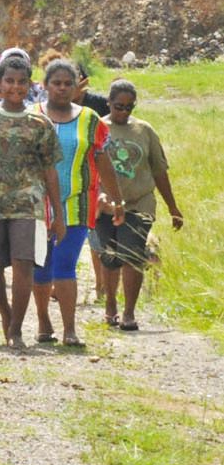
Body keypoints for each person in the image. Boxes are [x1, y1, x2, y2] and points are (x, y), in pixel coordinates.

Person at [0, 53, 63, 349]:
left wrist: (58, 212)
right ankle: (6, 314)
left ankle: (17, 328)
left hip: (27, 203)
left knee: (23, 264)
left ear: (30, 85)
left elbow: (50, 170)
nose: (15, 87)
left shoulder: (39, 122)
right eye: (9, 81)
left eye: (21, 82)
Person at [29, 59, 116, 347]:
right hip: (37, 206)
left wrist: (116, 199)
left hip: (78, 203)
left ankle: (70, 329)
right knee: (42, 267)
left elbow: (103, 160)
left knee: (65, 265)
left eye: (69, 83)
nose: (63, 88)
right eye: (57, 83)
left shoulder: (91, 119)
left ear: (78, 85)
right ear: (45, 86)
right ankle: (43, 320)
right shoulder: (32, 116)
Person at [95, 79, 183, 330]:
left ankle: (129, 313)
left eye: (129, 107)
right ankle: (110, 303)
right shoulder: (96, 127)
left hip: (139, 202)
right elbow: (87, 167)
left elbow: (159, 171)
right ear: (109, 103)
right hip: (105, 205)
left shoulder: (144, 131)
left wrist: (172, 207)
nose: (123, 112)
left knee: (132, 254)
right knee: (110, 256)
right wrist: (96, 197)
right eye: (118, 106)